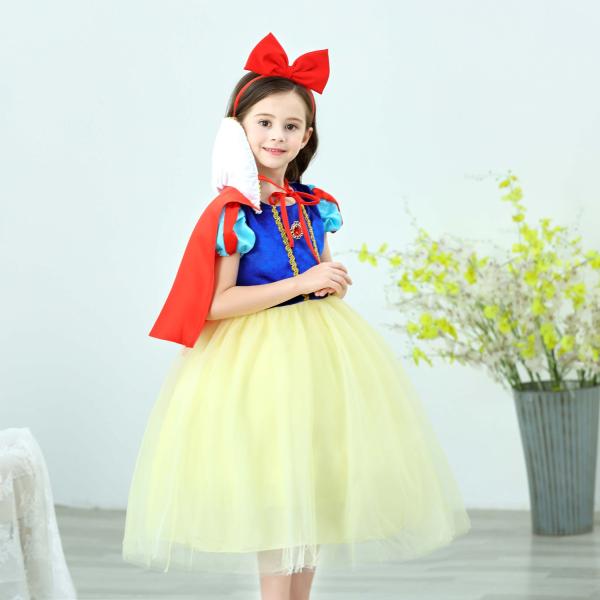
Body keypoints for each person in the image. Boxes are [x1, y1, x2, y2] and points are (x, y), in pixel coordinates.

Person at [121, 32, 471, 600]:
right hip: (256, 363)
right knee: (277, 491)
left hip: (319, 355)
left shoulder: (314, 204)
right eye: (264, 122)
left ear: (307, 136)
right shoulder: (236, 211)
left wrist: (328, 283)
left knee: (313, 486)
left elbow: (318, 273)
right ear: (238, 127)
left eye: (291, 126)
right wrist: (301, 283)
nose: (277, 136)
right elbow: (216, 303)